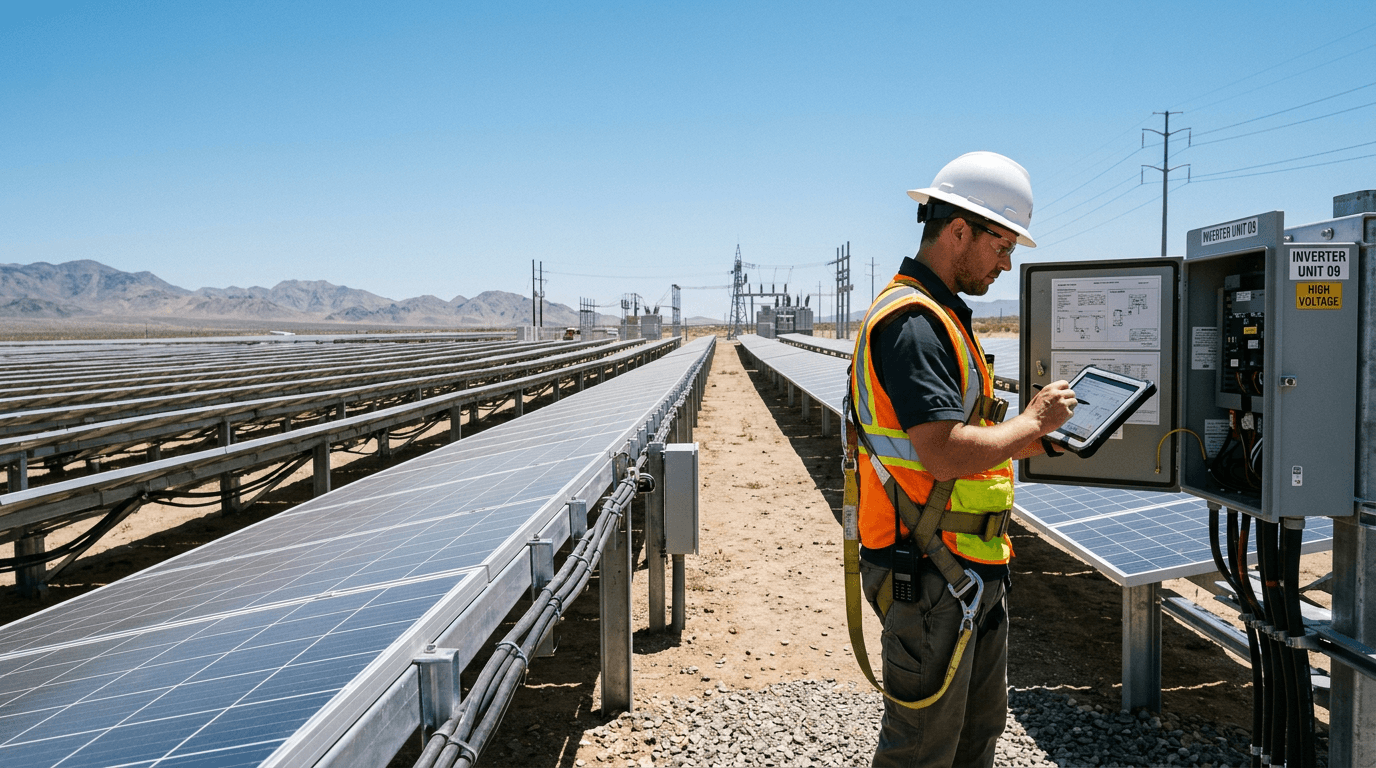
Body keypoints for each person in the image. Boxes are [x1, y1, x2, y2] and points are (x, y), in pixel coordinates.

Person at [847, 151, 1078, 768]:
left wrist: (1032, 439)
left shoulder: (944, 316)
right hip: (927, 570)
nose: (1007, 263)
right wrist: (1030, 422)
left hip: (965, 567)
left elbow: (956, 442)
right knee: (923, 750)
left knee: (974, 737)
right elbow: (942, 453)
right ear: (957, 232)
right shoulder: (914, 325)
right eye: (1002, 246)